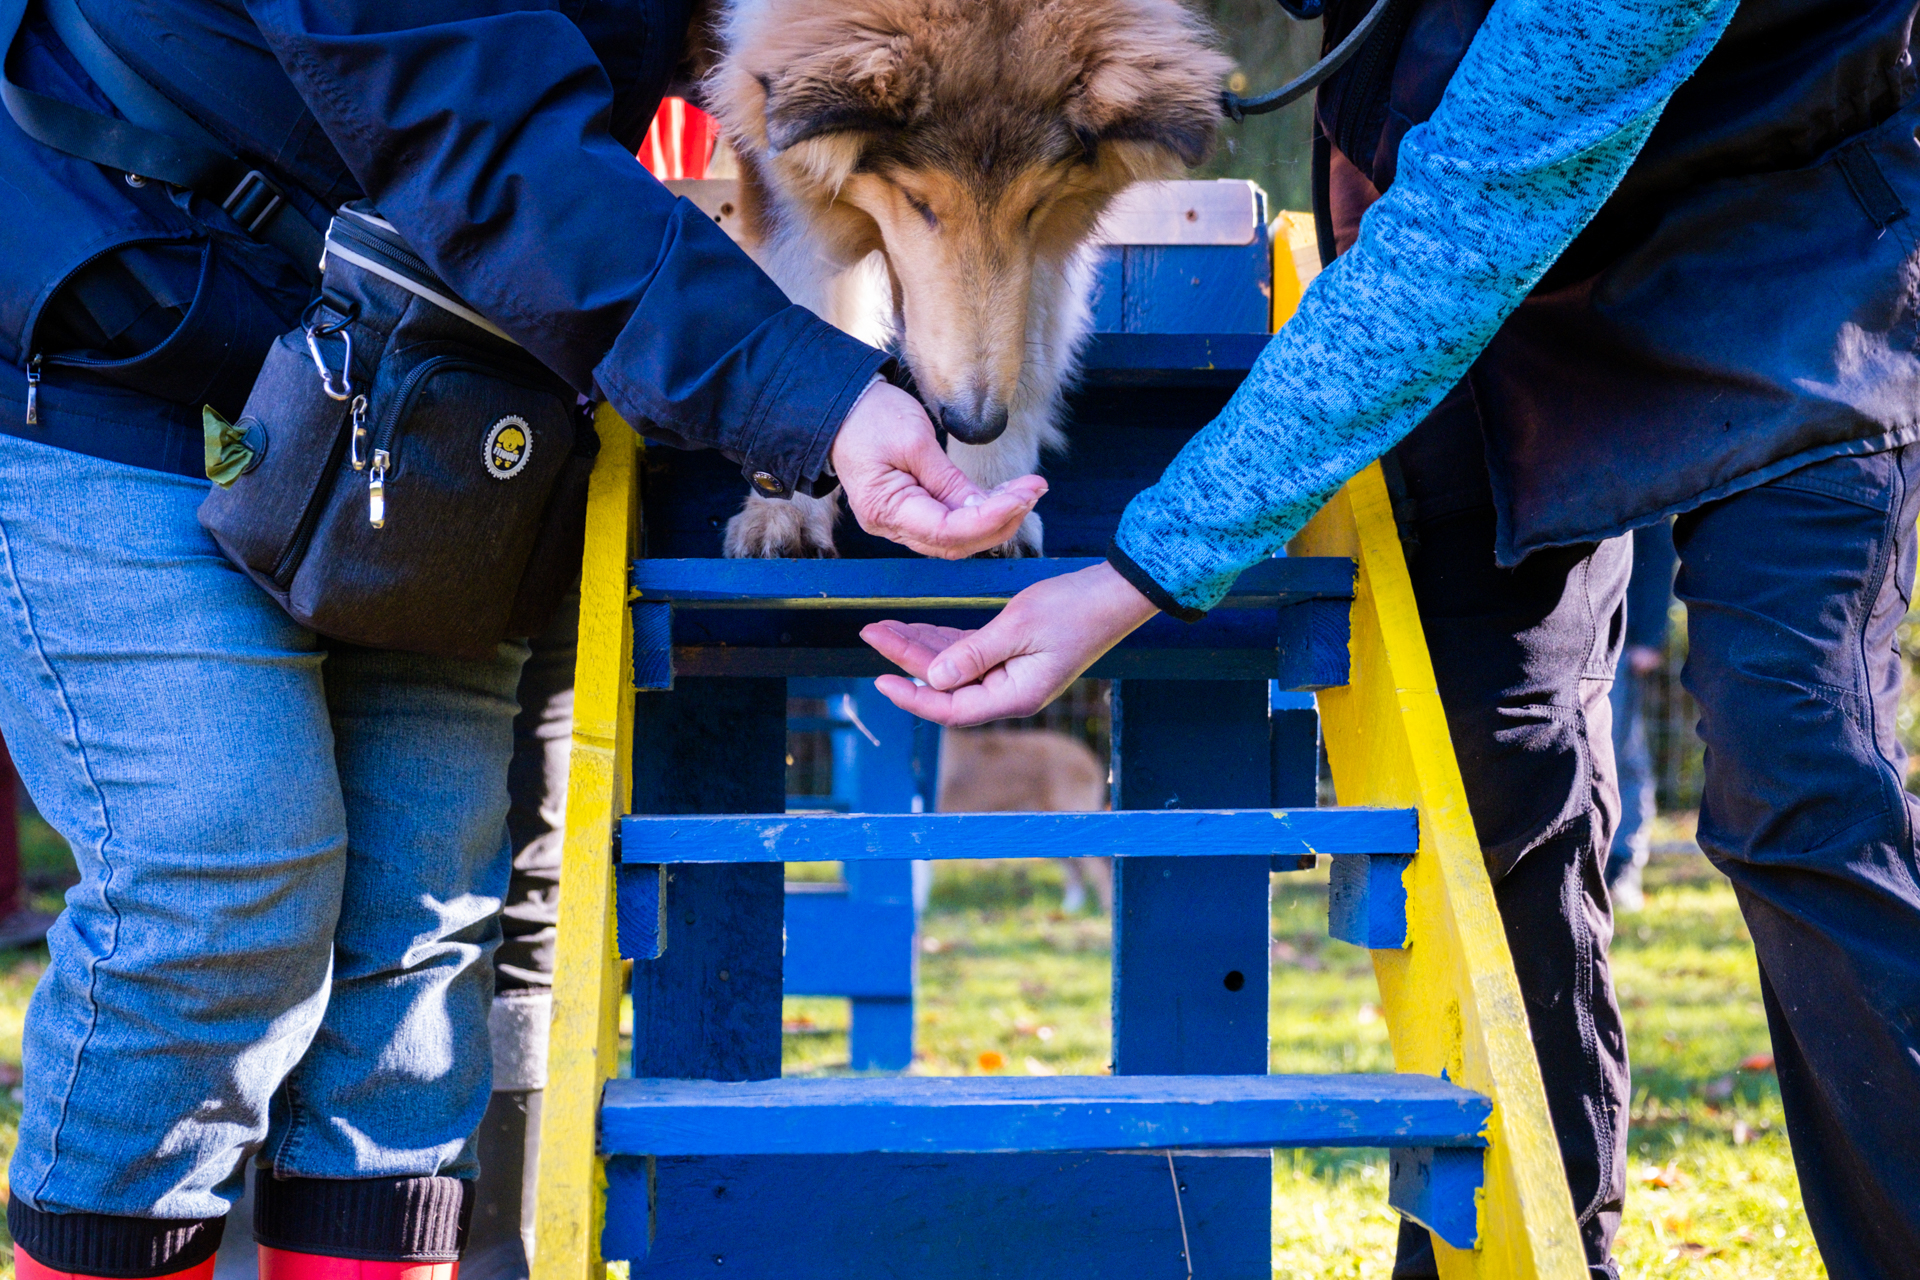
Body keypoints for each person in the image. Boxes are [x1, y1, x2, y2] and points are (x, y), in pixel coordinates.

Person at [863, 2, 1920, 1277]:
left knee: (1798, 769)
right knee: (1485, 796)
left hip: (1795, 243)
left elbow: (1473, 221)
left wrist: (1143, 570)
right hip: (1474, 282)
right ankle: (1515, 1253)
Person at [0, 6, 1045, 1280]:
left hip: (433, 391)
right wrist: (813, 397)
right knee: (224, 881)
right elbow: (486, 139)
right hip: (123, 347)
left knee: (421, 918)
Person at [1607, 520, 1677, 912]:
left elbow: (1656, 547)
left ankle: (1621, 867)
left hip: (1621, 637)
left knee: (1619, 753)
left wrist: (1650, 634)